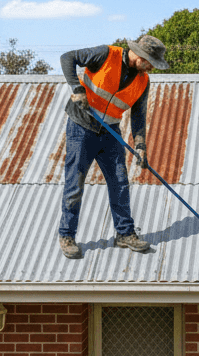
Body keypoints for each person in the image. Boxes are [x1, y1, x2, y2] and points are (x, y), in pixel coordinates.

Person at [57, 35, 169, 258]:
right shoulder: (106, 54)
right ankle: (67, 234)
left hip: (110, 132)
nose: (150, 68)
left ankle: (125, 233)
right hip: (81, 126)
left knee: (120, 183)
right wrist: (76, 89)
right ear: (140, 55)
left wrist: (140, 146)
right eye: (149, 62)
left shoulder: (143, 81)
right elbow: (67, 57)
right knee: (75, 184)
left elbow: (139, 115)